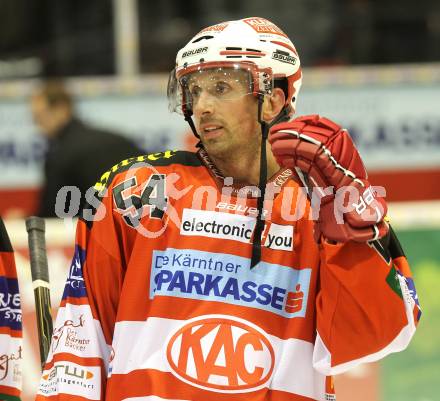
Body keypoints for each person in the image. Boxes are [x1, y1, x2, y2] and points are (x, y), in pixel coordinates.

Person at [35, 18, 420, 401]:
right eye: (194, 89)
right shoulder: (139, 190)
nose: (201, 106)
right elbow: (81, 341)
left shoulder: (319, 199)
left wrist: (350, 223)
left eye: (220, 87)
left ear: (273, 98)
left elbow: (380, 337)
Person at [30, 80, 143, 217]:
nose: (38, 125)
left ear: (61, 109)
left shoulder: (61, 155)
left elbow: (53, 215)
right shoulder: (118, 140)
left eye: (39, 117)